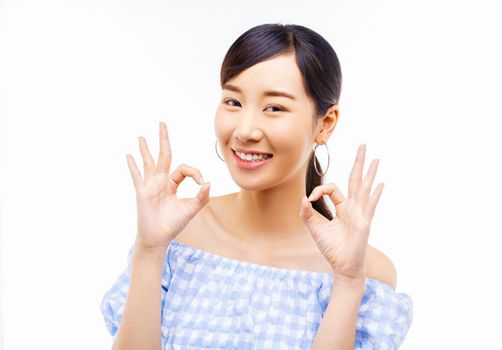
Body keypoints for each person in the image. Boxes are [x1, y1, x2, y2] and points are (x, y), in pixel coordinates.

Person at [100, 23, 413, 350]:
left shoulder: (366, 272)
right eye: (233, 102)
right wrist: (149, 251)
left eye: (274, 108)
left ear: (325, 124)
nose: (245, 130)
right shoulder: (175, 240)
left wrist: (348, 282)